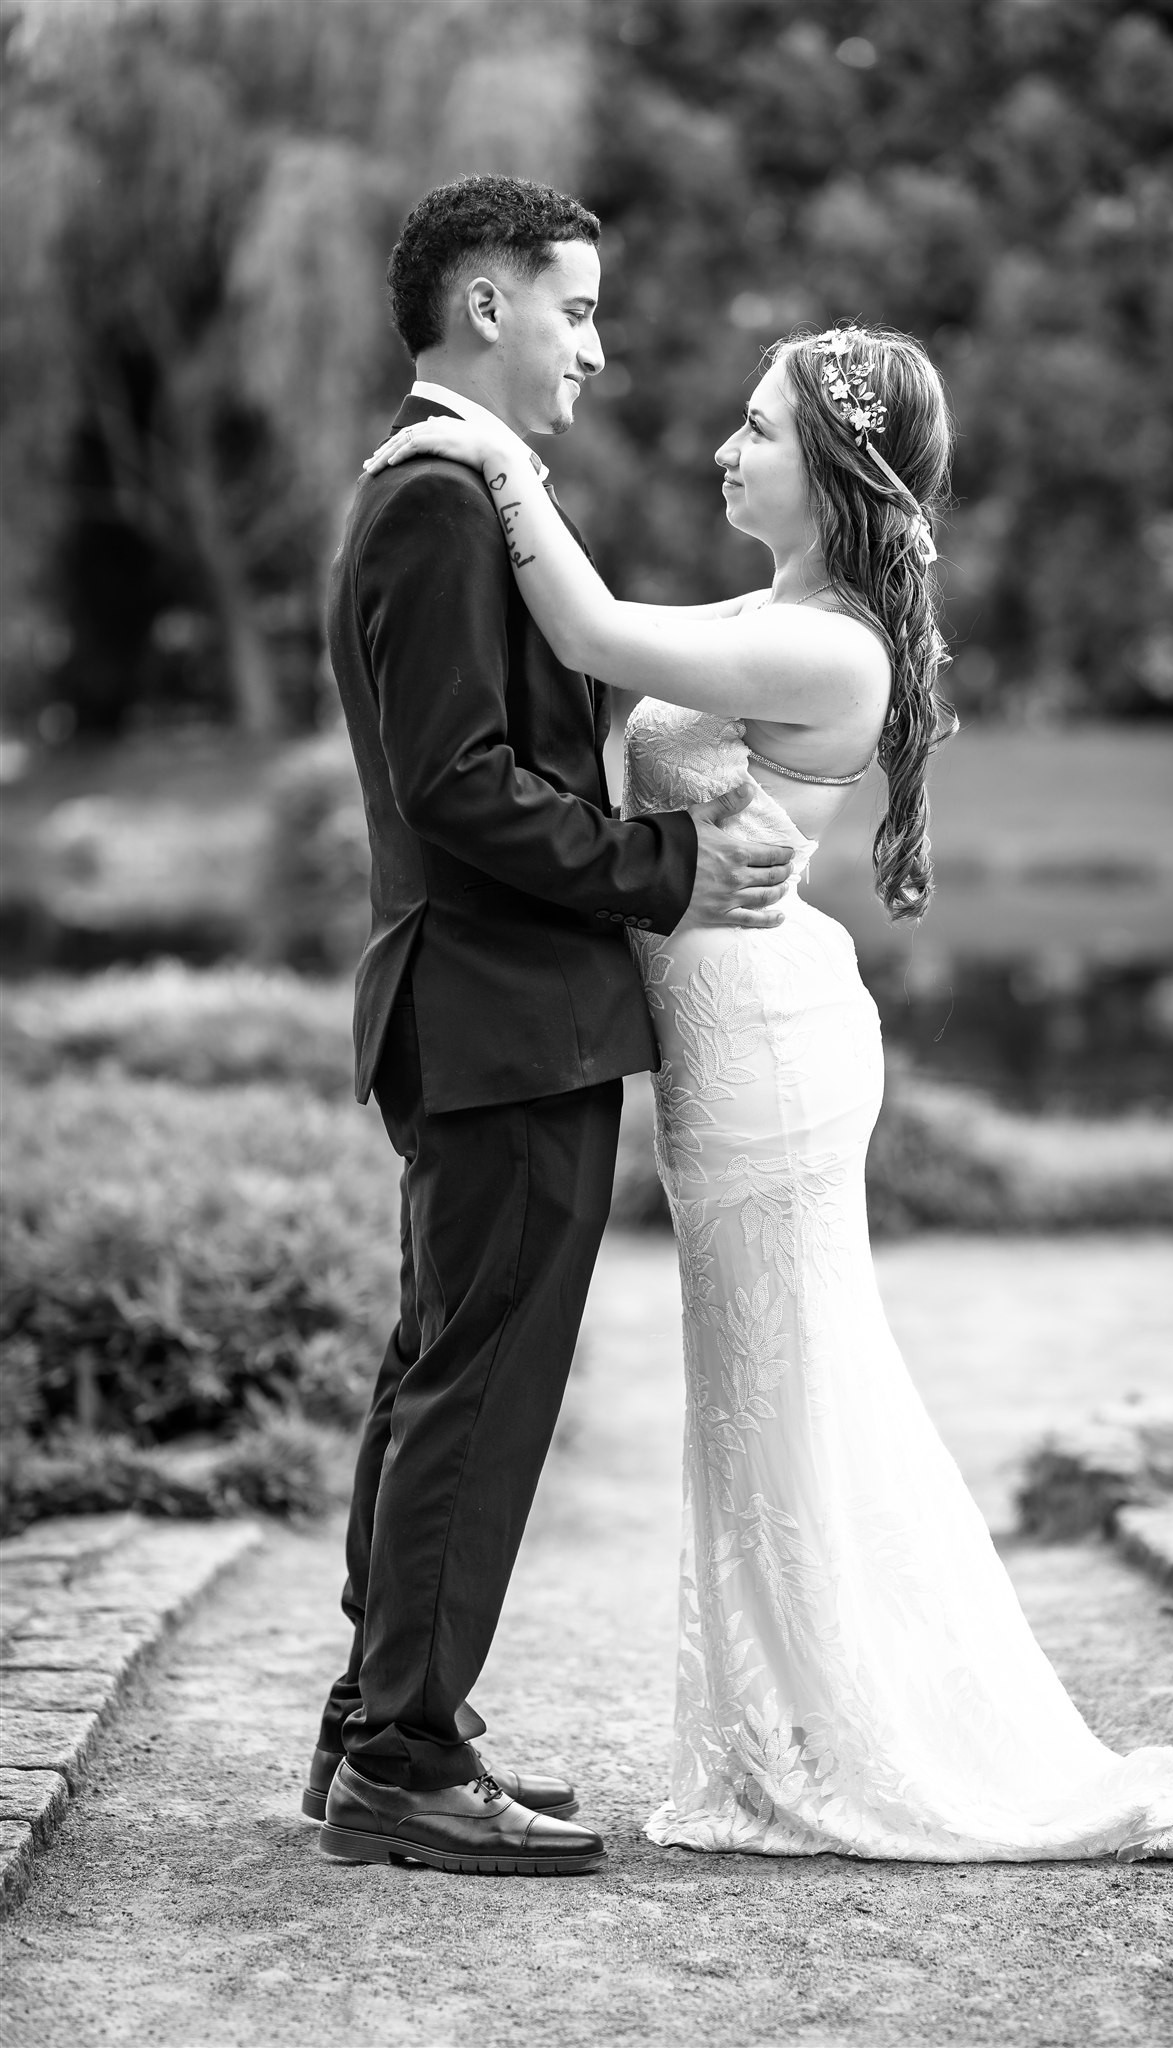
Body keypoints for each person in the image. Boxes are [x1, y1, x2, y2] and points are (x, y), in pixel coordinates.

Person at [363, 320, 1173, 1864]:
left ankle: (844, 1732)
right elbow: (604, 655)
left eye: (757, 431)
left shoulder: (825, 645)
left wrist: (484, 453)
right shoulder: (774, 606)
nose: (726, 452)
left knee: (783, 1381)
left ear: (838, 470)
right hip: (730, 1017)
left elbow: (593, 639)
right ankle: (782, 1724)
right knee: (759, 1386)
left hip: (763, 1043)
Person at [307, 175, 797, 1879]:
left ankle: (377, 1723)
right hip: (503, 1009)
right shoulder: (441, 498)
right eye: (574, 307)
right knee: (481, 1383)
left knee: (440, 1366)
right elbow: (457, 786)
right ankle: (403, 1762)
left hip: (493, 1009)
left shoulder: (455, 489)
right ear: (488, 306)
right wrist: (665, 867)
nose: (595, 344)